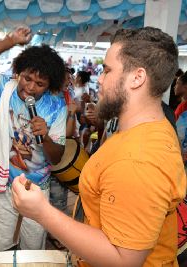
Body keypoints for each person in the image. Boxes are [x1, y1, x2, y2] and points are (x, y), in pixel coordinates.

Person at [12, 27, 186, 266]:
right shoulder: (146, 130)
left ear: (137, 78)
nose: (100, 79)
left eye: (107, 70)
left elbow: (124, 260)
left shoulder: (138, 160)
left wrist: (42, 212)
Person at [0, 27, 67, 251]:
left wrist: (46, 137)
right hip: (3, 182)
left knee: (33, 248)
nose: (30, 88)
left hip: (36, 187)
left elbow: (57, 157)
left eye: (39, 84)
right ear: (18, 72)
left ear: (50, 86)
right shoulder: (2, 88)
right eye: (27, 78)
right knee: (1, 245)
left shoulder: (56, 105)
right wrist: (10, 41)